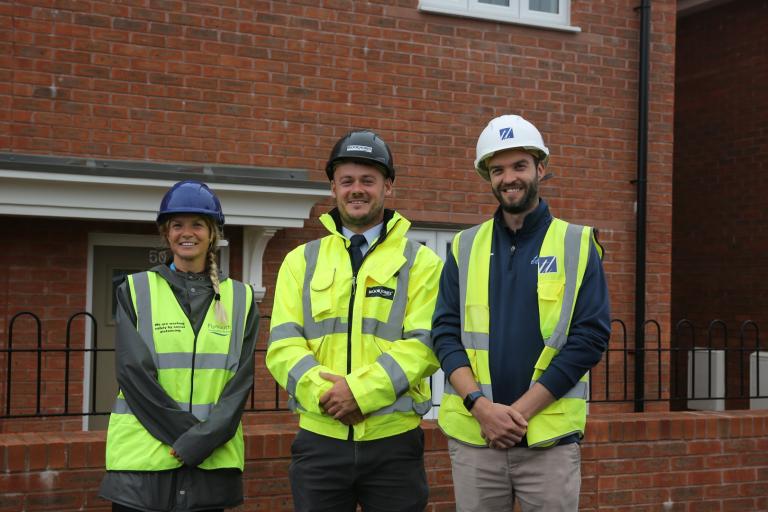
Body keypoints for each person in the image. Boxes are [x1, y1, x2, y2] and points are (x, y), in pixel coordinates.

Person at [432, 115, 611, 511]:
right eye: (497, 170)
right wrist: (481, 407)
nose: (508, 178)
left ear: (540, 169)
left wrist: (514, 414)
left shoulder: (577, 243)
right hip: (476, 439)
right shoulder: (464, 247)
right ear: (488, 178)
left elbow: (589, 340)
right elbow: (444, 333)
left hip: (548, 443)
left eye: (519, 166)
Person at [266, 130, 443, 512]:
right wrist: (330, 398)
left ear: (388, 186)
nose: (356, 190)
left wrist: (360, 393)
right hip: (320, 441)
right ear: (333, 187)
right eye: (347, 181)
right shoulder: (300, 261)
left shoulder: (423, 262)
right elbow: (283, 345)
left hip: (393, 444)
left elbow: (424, 344)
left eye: (368, 180)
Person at [99, 180, 258, 512]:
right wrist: (194, 440)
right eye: (177, 225)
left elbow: (240, 384)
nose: (188, 233)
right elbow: (133, 375)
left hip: (210, 470)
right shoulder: (134, 290)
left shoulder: (240, 299)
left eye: (198, 224)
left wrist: (201, 441)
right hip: (142, 470)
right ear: (166, 234)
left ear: (212, 233)